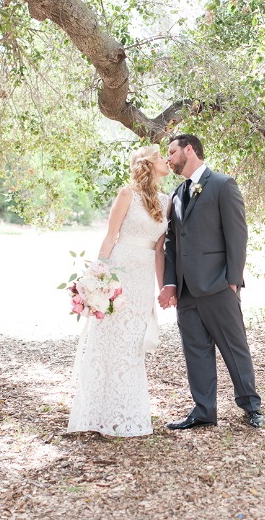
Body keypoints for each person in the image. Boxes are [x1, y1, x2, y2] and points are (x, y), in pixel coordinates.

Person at [157, 134, 265, 429]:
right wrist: (171, 283)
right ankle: (204, 410)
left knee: (234, 346)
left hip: (219, 285)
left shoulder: (222, 184)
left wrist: (233, 280)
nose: (168, 159)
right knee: (196, 350)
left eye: (172, 152)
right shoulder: (178, 193)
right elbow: (172, 244)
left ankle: (251, 406)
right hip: (187, 289)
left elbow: (237, 235)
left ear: (189, 150)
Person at [67, 146, 170, 436]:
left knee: (132, 344)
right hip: (120, 272)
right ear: (148, 163)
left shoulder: (166, 200)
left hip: (143, 278)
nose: (166, 161)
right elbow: (110, 237)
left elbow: (160, 249)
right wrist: (97, 278)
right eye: (161, 157)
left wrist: (162, 288)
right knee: (109, 341)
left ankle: (127, 412)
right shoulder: (127, 194)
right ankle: (96, 414)